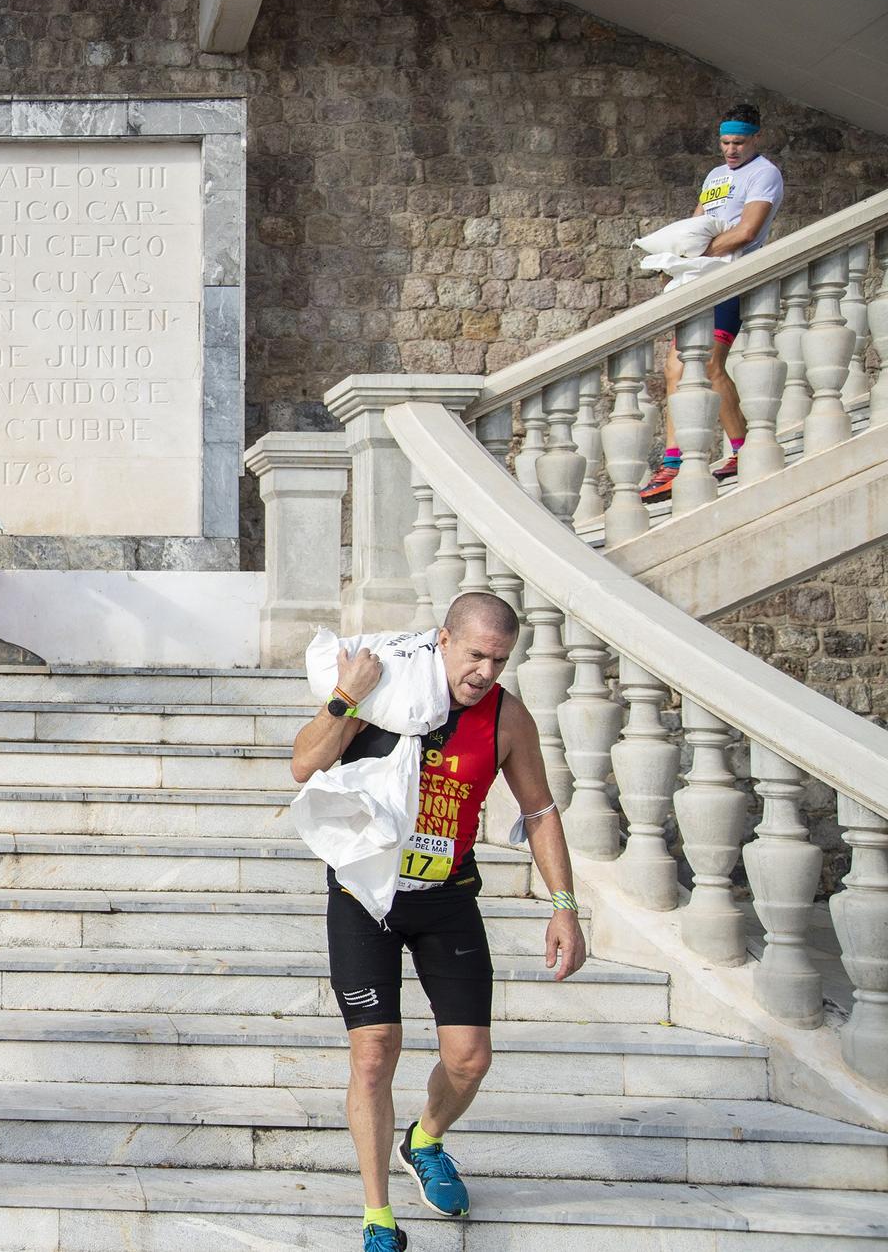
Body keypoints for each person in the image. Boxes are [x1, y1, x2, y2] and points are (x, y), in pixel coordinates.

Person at [288, 592, 587, 1251]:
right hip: (368, 892)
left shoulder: (507, 718)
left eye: (499, 658)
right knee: (373, 1055)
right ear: (443, 640)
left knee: (470, 1058)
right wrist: (345, 694)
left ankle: (424, 1138)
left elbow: (537, 810)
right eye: (475, 652)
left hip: (446, 894)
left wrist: (564, 905)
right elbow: (304, 761)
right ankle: (378, 1216)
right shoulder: (384, 688)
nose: (484, 669)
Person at [640, 103, 785, 501]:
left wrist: (695, 254)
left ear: (756, 137)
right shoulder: (715, 175)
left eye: (739, 142)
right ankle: (673, 464)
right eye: (725, 142)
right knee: (674, 366)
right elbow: (695, 224)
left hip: (733, 278)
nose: (731, 150)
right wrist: (679, 258)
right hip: (703, 278)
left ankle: (741, 448)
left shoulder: (764, 173)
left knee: (707, 363)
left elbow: (747, 231)